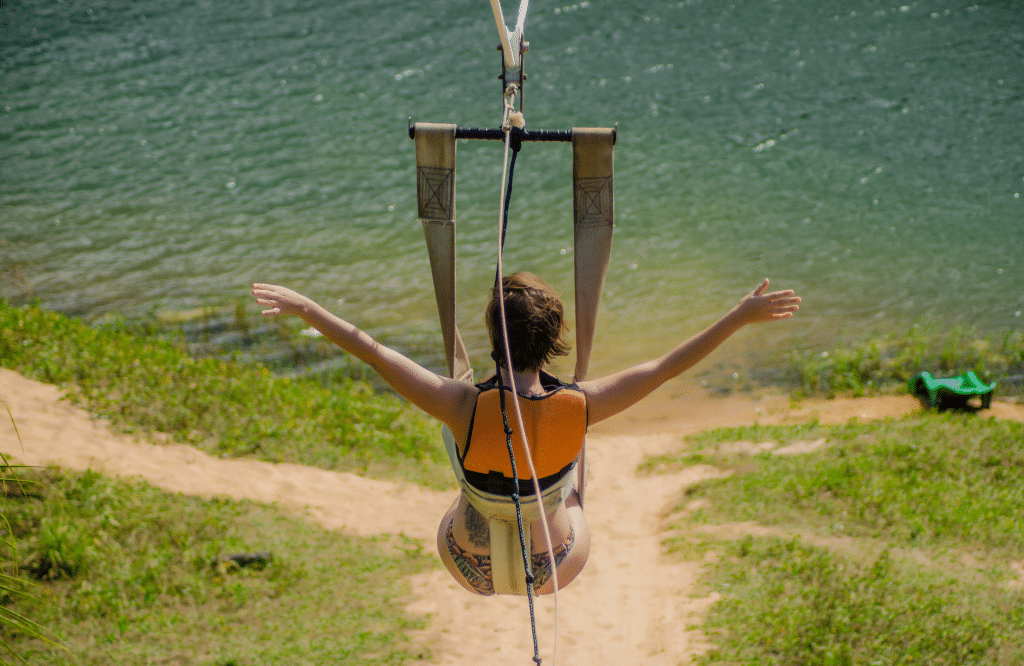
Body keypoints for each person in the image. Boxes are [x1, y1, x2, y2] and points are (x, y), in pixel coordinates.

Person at [251, 273, 800, 595]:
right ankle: (554, 499)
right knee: (576, 464)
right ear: (555, 339)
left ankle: (484, 490)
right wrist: (737, 317)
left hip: (467, 564)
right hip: (556, 568)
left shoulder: (459, 403)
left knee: (461, 451)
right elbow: (666, 368)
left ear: (492, 333)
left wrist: (306, 307)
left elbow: (369, 349)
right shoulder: (583, 404)